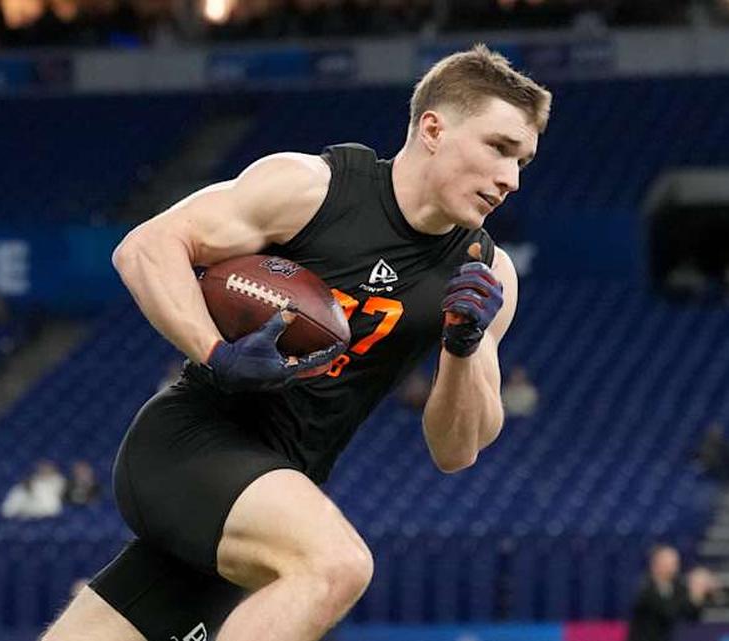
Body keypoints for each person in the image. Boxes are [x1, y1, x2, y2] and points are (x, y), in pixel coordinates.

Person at [41, 44, 548, 641]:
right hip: (191, 446)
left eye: (523, 161)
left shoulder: (487, 274)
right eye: (499, 148)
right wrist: (216, 352)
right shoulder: (312, 188)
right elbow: (146, 248)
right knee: (335, 566)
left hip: (277, 489)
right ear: (433, 128)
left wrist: (461, 350)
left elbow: (456, 450)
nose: (510, 179)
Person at [626, 545, 719, 641]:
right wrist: (694, 589)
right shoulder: (645, 587)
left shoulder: (677, 587)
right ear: (656, 563)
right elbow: (668, 612)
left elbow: (691, 615)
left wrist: (698, 594)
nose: (674, 566)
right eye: (669, 562)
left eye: (675, 562)